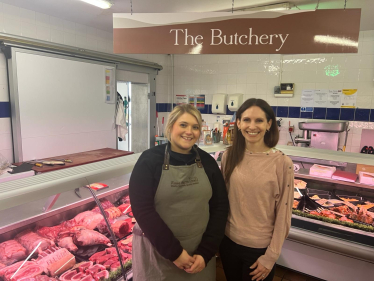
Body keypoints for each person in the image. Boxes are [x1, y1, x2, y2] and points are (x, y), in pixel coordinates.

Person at [129, 104, 229, 281]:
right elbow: (143, 210)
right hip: (158, 253)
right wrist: (175, 253)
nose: (189, 131)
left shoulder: (208, 163)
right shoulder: (149, 160)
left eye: (195, 127)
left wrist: (206, 252)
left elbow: (220, 207)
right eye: (183, 125)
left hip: (199, 253)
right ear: (171, 127)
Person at [220, 98, 294, 281]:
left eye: (259, 120)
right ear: (238, 123)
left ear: (269, 124)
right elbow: (222, 201)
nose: (252, 126)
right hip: (228, 243)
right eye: (246, 120)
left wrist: (271, 256)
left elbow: (284, 215)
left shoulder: (282, 163)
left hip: (259, 250)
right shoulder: (228, 156)